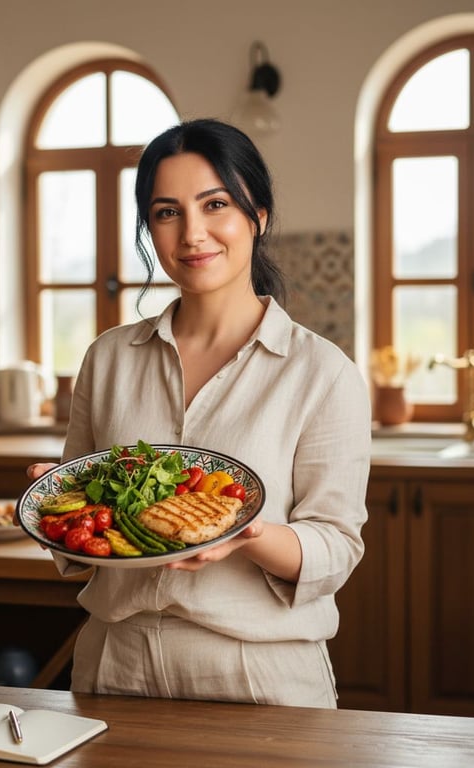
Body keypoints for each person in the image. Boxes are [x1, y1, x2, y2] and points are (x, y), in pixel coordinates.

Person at [27, 118, 371, 708]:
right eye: (166, 212)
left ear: (257, 215)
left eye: (215, 204)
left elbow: (336, 547)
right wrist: (57, 506)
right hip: (115, 662)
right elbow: (82, 544)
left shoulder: (321, 371)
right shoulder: (108, 358)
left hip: (257, 672)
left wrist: (248, 534)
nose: (192, 233)